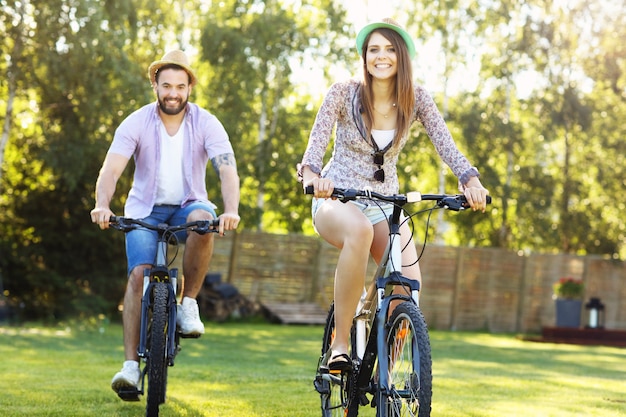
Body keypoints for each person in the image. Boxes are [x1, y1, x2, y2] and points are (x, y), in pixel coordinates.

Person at [297, 18, 489, 371]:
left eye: (389, 49)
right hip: (336, 199)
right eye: (373, 49)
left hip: (386, 203)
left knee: (408, 284)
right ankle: (340, 345)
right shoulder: (343, 93)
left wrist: (470, 180)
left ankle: (383, 366)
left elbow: (446, 146)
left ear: (402, 57)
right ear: (364, 56)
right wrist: (311, 175)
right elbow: (315, 146)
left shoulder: (417, 100)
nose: (380, 56)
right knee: (359, 231)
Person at [90, 50, 241, 395]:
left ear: (190, 88)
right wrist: (102, 204)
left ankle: (188, 304)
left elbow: (226, 167)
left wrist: (230, 209)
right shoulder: (136, 122)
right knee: (138, 275)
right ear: (155, 86)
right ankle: (129, 366)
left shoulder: (207, 122)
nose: (173, 92)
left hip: (189, 204)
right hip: (144, 209)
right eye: (166, 85)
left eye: (180, 86)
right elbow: (111, 169)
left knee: (205, 219)